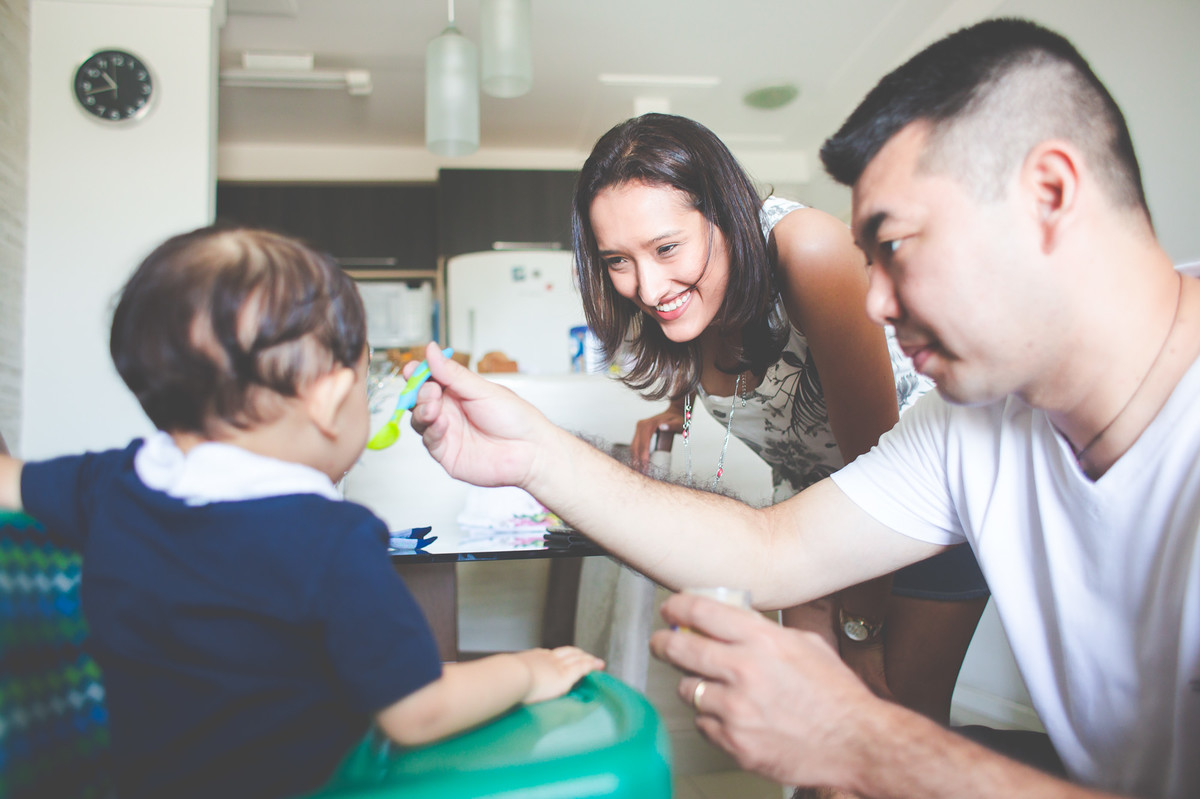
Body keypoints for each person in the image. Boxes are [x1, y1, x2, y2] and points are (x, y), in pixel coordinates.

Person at [408, 17, 1200, 799]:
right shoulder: (974, 423)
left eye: (894, 245)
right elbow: (771, 547)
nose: (875, 302)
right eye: (621, 261)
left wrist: (865, 737)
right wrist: (535, 454)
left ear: (1050, 193)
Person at [0, 225, 603, 799]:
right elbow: (420, 710)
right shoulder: (332, 540)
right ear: (331, 398)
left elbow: (9, 481)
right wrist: (526, 670)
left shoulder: (115, 482)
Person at [572, 112, 988, 725]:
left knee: (896, 729)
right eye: (617, 261)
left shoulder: (809, 251)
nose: (647, 286)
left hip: (922, 514)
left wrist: (861, 635)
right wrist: (673, 410)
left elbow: (879, 470)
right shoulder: (690, 296)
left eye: (665, 248)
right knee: (815, 736)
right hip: (817, 523)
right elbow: (741, 376)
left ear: (723, 213)